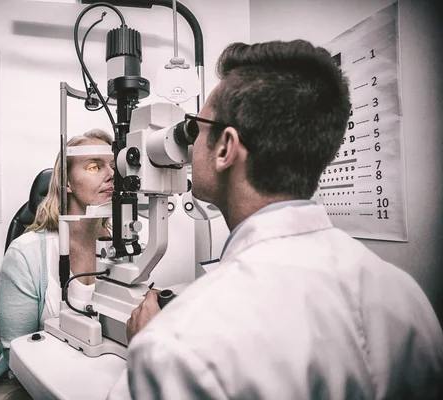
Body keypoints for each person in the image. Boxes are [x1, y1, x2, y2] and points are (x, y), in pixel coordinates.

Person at [112, 40, 443, 399]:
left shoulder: (178, 344)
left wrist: (144, 348)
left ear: (225, 148)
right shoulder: (407, 297)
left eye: (195, 128)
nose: (190, 145)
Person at [0, 129, 114, 399]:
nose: (111, 174)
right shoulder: (26, 254)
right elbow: (17, 352)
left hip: (107, 372)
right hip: (38, 378)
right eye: (95, 166)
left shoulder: (125, 247)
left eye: (114, 164)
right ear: (66, 183)